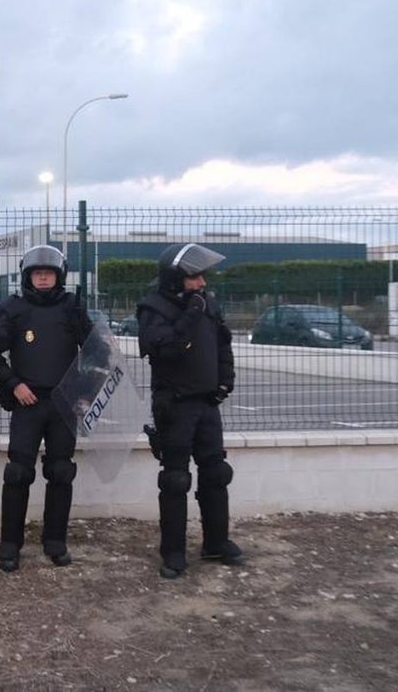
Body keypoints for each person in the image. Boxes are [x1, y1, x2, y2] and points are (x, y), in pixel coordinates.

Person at [0, 245, 93, 573]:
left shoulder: (72, 308)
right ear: (28, 276)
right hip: (27, 402)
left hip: (63, 404)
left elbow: (97, 351)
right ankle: (10, 545)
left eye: (49, 273)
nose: (43, 278)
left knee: (61, 472)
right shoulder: (14, 309)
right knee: (17, 474)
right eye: (37, 273)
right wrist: (13, 383)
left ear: (59, 276)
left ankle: (55, 542)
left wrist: (84, 391)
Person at [136, 243, 244, 579]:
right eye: (193, 277)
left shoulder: (207, 303)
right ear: (175, 278)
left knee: (216, 473)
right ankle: (173, 553)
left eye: (202, 277)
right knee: (175, 479)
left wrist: (225, 380)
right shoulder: (153, 307)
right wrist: (190, 314)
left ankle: (216, 542)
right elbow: (164, 348)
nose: (201, 284)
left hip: (207, 403)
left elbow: (222, 343)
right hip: (175, 405)